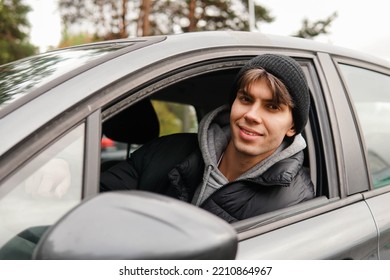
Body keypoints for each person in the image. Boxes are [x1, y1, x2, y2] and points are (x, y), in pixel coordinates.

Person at [100, 54, 315, 223]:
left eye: (272, 107)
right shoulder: (163, 152)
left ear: (292, 125)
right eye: (246, 99)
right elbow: (94, 201)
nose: (251, 115)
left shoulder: (296, 202)